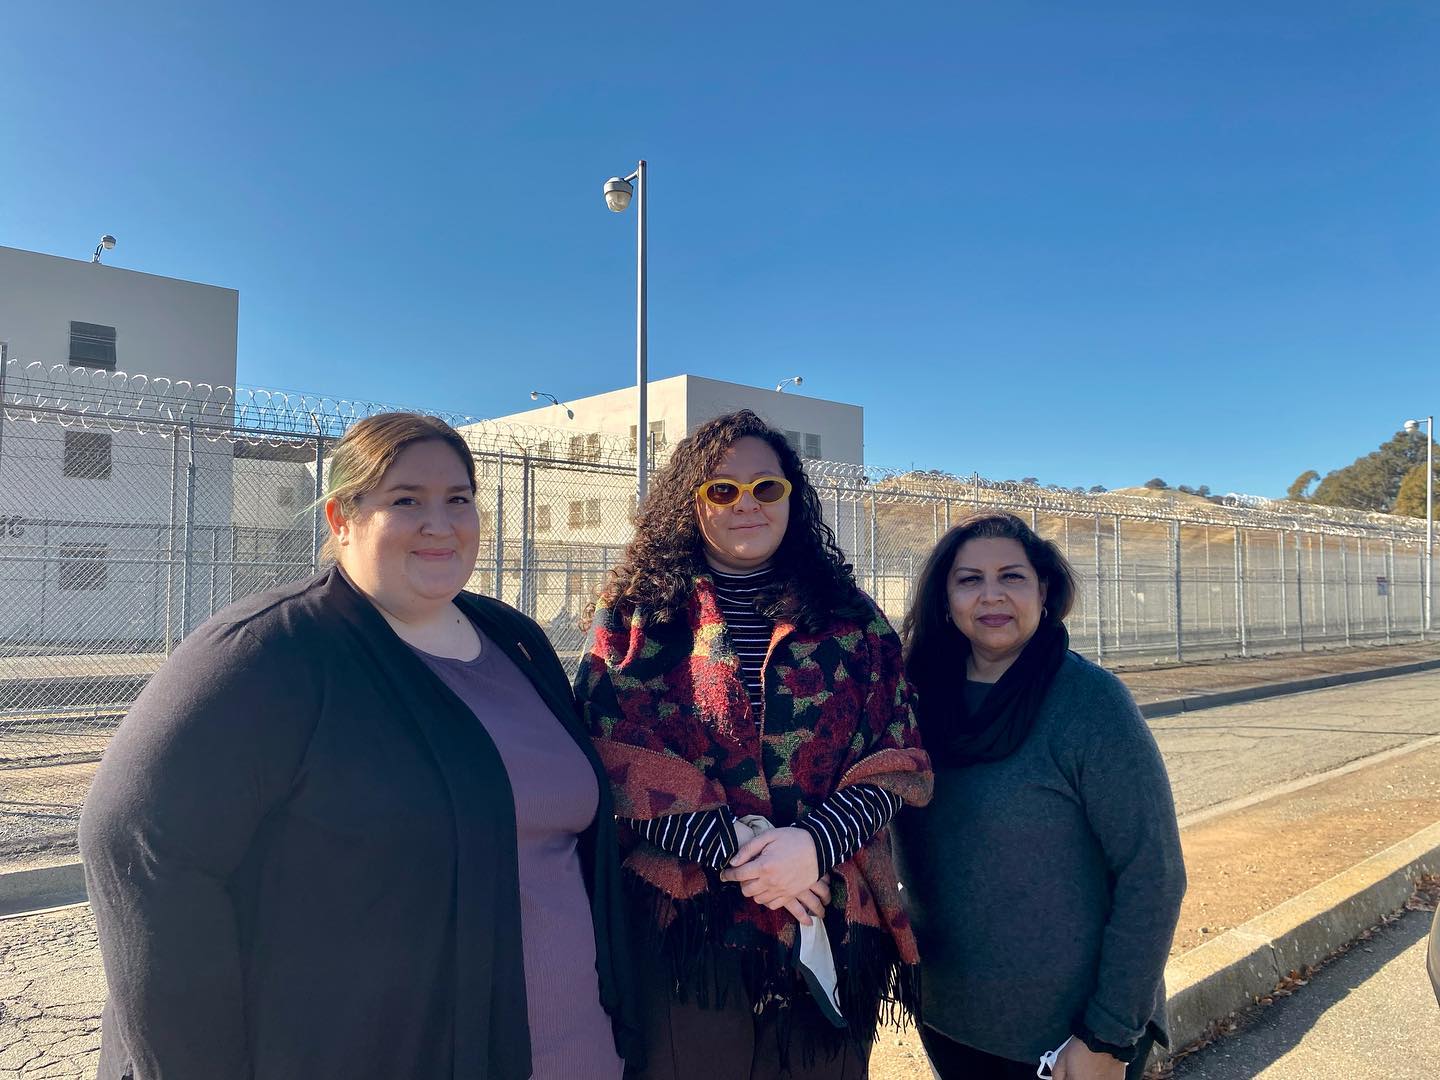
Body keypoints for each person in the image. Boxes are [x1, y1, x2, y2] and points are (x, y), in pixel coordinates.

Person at [79, 412, 639, 1080]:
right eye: (405, 500)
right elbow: (137, 843)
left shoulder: (515, 641)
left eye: (458, 499)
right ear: (341, 519)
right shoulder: (272, 652)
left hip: (579, 1050)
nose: (440, 522)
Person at [575, 409, 932, 1080]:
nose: (747, 503)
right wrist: (750, 861)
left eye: (766, 488)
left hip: (826, 909)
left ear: (791, 498)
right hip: (688, 932)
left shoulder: (853, 619)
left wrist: (814, 848)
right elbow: (608, 743)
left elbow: (900, 752)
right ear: (691, 501)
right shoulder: (638, 614)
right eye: (722, 489)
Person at [895, 511, 1186, 1080]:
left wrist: (1108, 1036)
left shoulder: (1091, 705)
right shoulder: (916, 700)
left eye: (1012, 576)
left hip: (1067, 1039)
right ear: (945, 598)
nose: (992, 595)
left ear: (1044, 591)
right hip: (950, 1018)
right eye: (969, 579)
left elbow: (1153, 873)